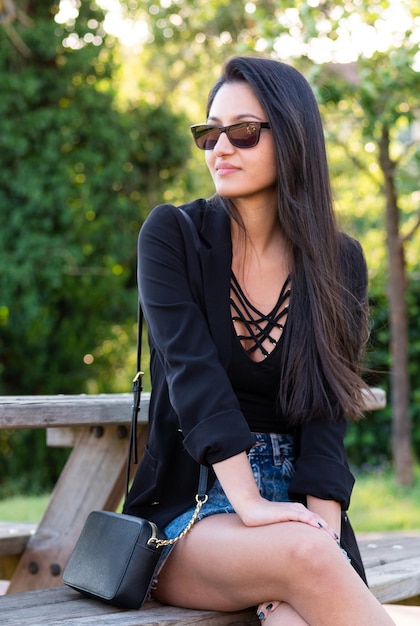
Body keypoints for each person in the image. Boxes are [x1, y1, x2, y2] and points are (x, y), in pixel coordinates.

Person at [124, 56, 395, 625]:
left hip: (300, 511)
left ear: (293, 138)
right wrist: (251, 504)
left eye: (243, 132)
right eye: (209, 133)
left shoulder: (338, 260)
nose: (221, 147)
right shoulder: (173, 235)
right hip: (194, 508)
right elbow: (193, 379)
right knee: (304, 556)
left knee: (297, 612)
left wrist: (321, 522)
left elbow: (326, 409)